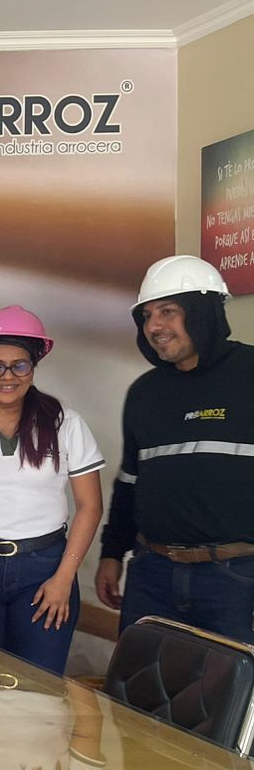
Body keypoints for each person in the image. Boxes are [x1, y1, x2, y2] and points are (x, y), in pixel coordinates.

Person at [97, 255, 254, 642]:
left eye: (167, 311)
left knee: (230, 682)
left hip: (235, 580)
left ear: (203, 311)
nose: (154, 326)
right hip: (152, 575)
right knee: (140, 681)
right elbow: (129, 482)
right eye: (147, 315)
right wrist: (111, 554)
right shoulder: (145, 393)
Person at [0, 307, 105, 675]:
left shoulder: (66, 424)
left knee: (40, 688)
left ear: (33, 369)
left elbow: (90, 506)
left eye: (19, 366)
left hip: (45, 571)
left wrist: (64, 578)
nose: (7, 376)